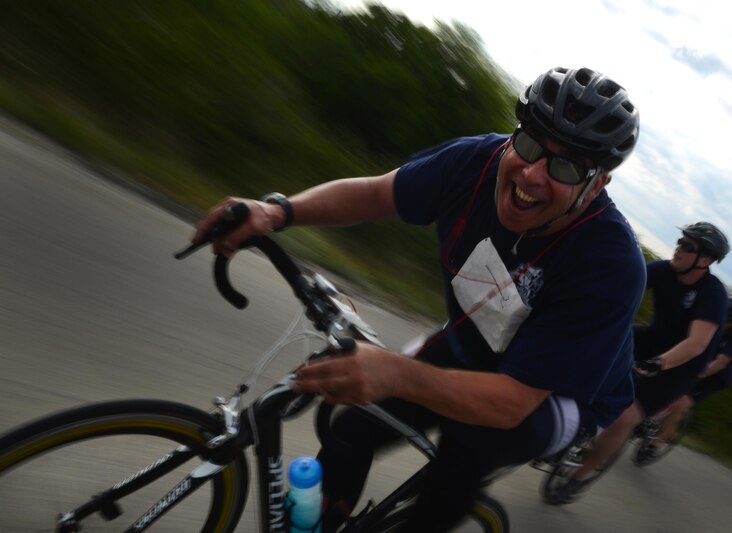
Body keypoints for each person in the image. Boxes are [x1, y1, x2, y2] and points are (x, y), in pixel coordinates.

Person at [193, 66, 645, 531]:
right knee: (353, 428)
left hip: (556, 394)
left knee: (464, 448)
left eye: (566, 166)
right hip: (476, 340)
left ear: (597, 185)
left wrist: (395, 373)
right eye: (529, 143)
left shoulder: (610, 264)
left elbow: (513, 403)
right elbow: (374, 194)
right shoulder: (475, 162)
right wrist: (277, 211)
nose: (532, 174)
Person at [546, 221, 730, 504]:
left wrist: (659, 363)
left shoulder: (712, 293)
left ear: (704, 260)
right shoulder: (663, 270)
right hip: (652, 338)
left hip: (683, 364)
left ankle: (579, 476)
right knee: (586, 348)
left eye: (688, 247)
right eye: (680, 241)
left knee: (625, 416)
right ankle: (568, 421)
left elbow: (697, 343)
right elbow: (621, 286)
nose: (678, 249)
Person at [634, 298, 732, 464]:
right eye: (724, 317)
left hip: (716, 377)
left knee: (680, 402)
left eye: (728, 321)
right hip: (697, 364)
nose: (724, 322)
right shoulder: (711, 320)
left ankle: (656, 443)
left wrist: (697, 375)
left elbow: (721, 362)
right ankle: (647, 415)